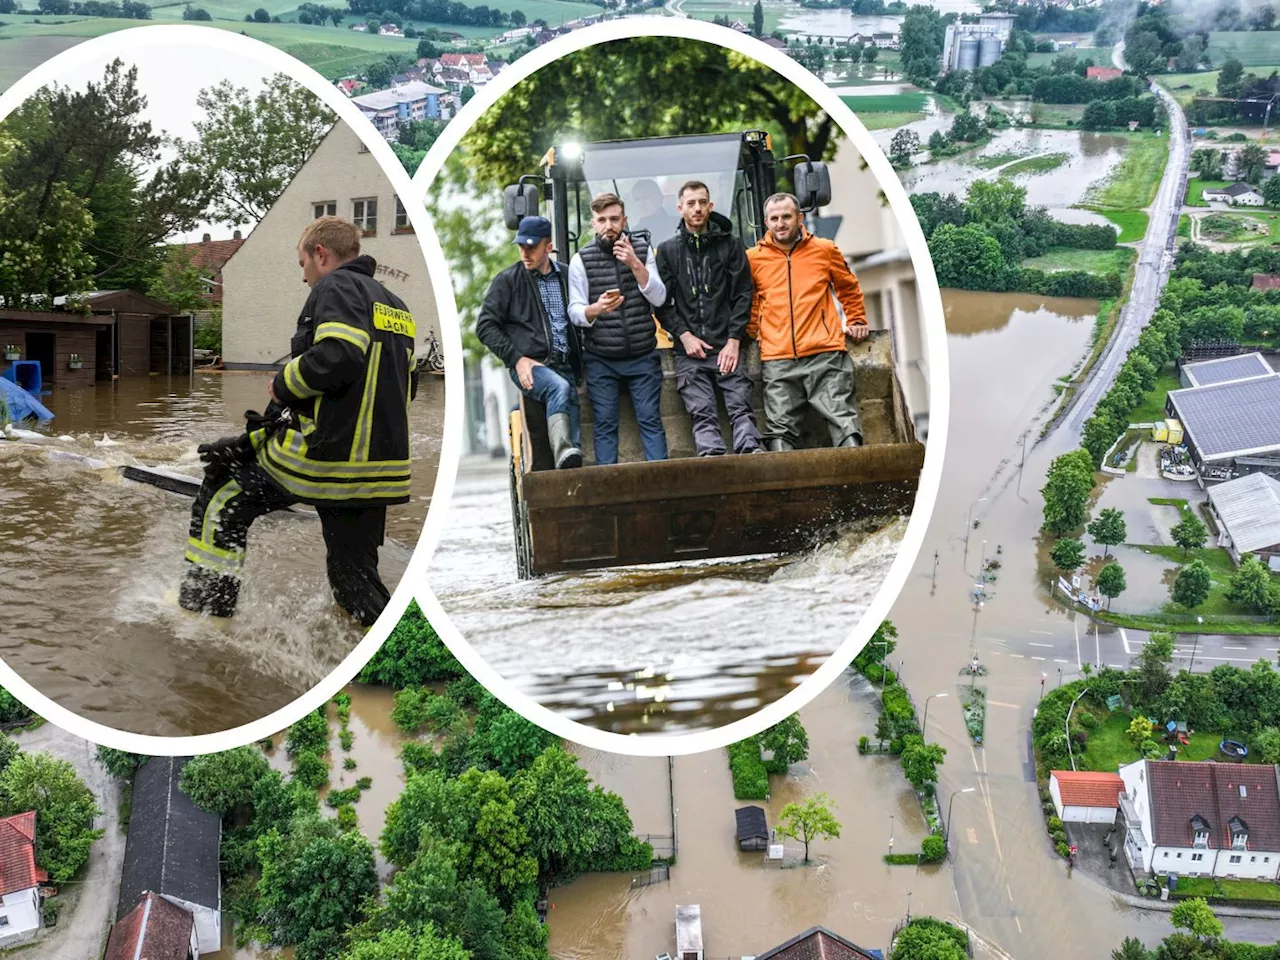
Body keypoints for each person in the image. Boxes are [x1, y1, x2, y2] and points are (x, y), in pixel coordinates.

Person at [178, 216, 415, 627]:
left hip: (330, 456)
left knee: (221, 493)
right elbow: (406, 387)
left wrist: (284, 383)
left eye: (302, 263)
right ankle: (378, 633)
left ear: (320, 254)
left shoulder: (336, 286)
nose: (303, 277)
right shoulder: (396, 305)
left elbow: (340, 354)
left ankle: (204, 616)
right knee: (353, 576)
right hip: (383, 469)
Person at [746, 192, 868, 452]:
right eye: (774, 218)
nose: (780, 224)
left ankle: (859, 481)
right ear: (766, 222)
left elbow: (848, 286)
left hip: (824, 353)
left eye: (786, 217)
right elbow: (752, 300)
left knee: (843, 421)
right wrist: (751, 331)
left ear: (799, 218)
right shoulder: (754, 258)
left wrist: (856, 318)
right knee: (779, 432)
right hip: (777, 359)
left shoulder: (824, 250)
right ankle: (787, 489)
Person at [655, 180, 761, 456]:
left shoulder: (731, 245)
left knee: (741, 405)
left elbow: (742, 295)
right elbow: (663, 303)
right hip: (689, 351)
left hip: (726, 345)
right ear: (680, 208)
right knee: (701, 411)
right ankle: (712, 459)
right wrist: (684, 335)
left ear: (710, 206)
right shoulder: (667, 251)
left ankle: (751, 453)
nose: (697, 208)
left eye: (702, 202)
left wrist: (734, 340)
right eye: (691, 203)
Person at [568, 191, 669, 465]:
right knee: (604, 426)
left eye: (614, 219)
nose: (608, 225)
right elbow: (575, 311)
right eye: (602, 220)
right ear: (593, 224)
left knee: (651, 421)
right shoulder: (581, 259)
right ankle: (607, 490)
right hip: (601, 359)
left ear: (625, 220)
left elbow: (659, 297)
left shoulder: (643, 251)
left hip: (642, 354)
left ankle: (662, 487)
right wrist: (595, 309)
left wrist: (634, 263)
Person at [476, 215, 583, 469]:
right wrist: (517, 359)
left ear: (548, 247)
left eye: (531, 247)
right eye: (521, 246)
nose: (525, 252)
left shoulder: (567, 276)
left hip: (567, 364)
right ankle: (563, 451)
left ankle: (570, 471)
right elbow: (485, 326)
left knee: (574, 422)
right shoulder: (507, 281)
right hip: (531, 365)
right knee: (559, 389)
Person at [628, 178, 680, 242]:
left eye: (646, 197)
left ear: (660, 199)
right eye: (637, 199)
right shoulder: (634, 233)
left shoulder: (678, 225)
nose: (641, 203)